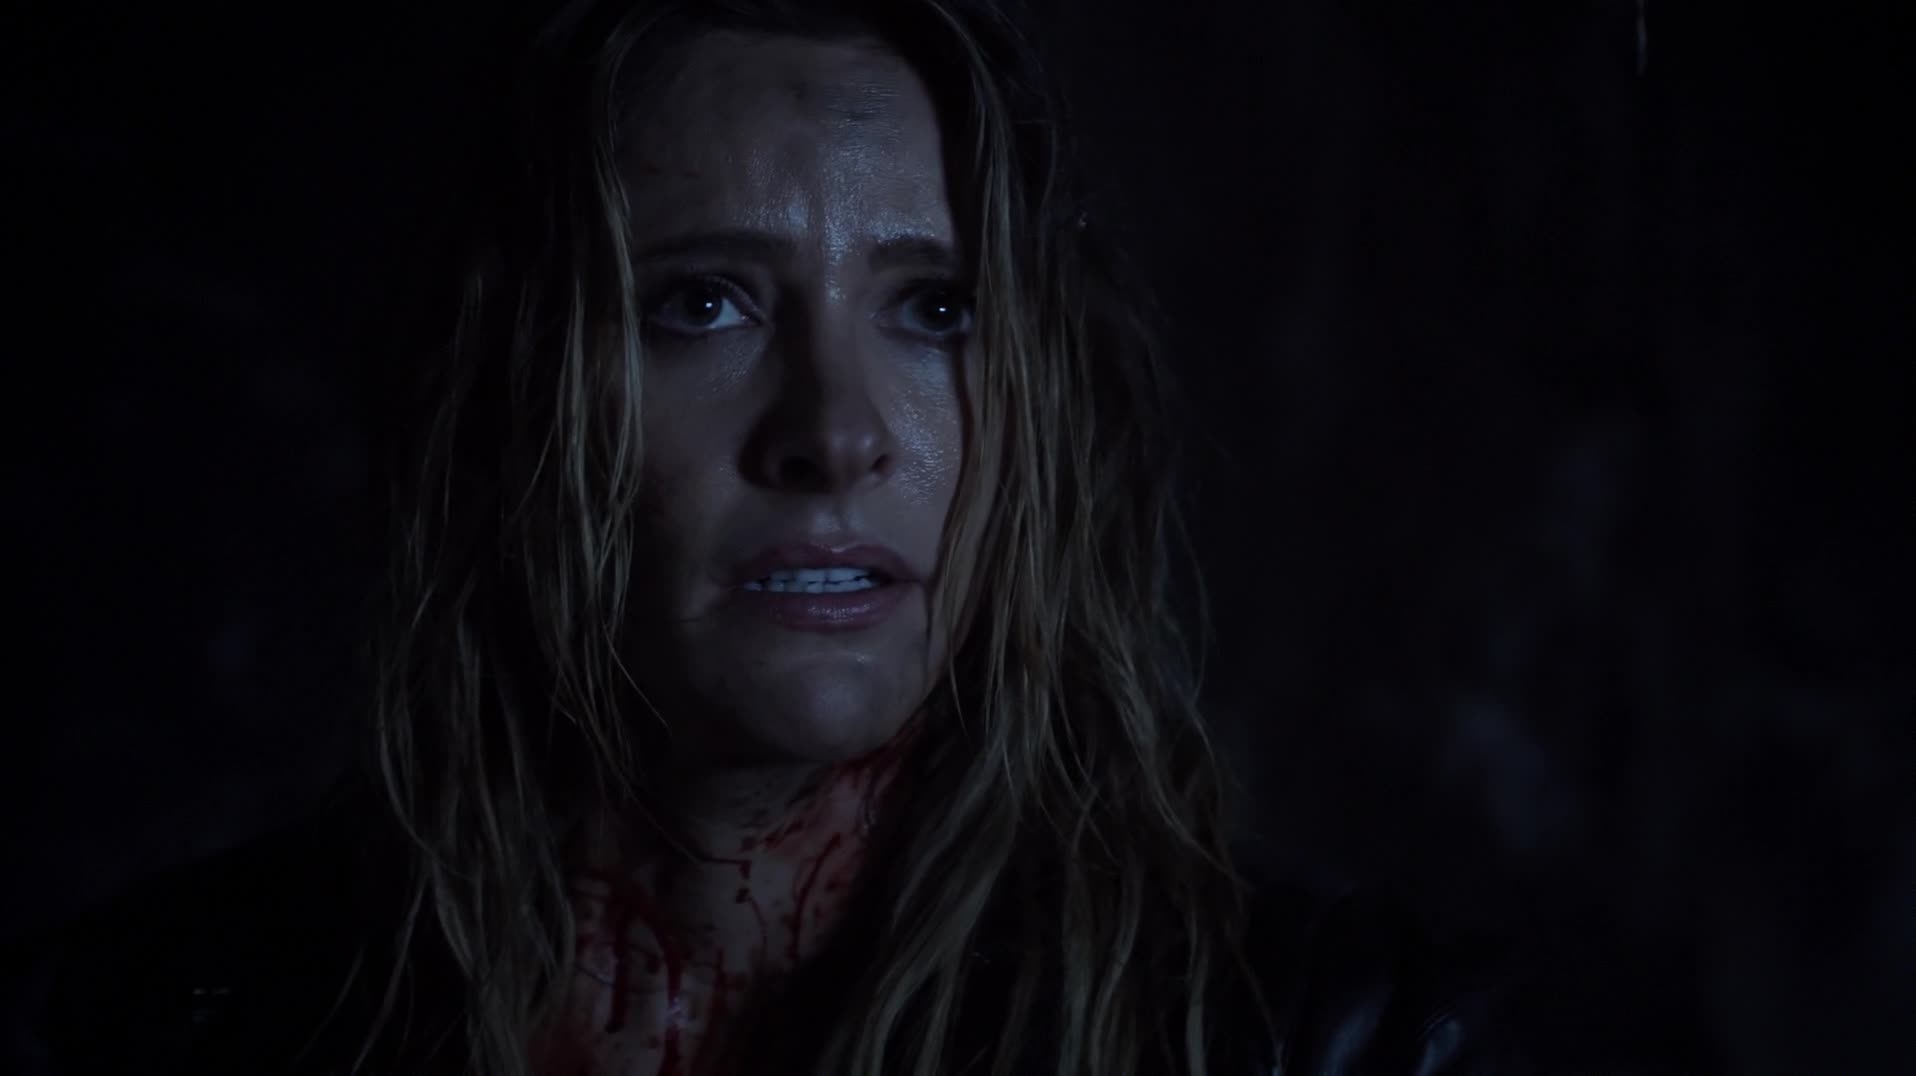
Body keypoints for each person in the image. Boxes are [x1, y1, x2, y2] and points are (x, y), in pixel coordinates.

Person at [33, 1, 1536, 1073]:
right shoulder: (153, 1024)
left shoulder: (1346, 1042)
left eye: (934, 308)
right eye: (705, 303)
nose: (836, 430)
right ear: (504, 385)